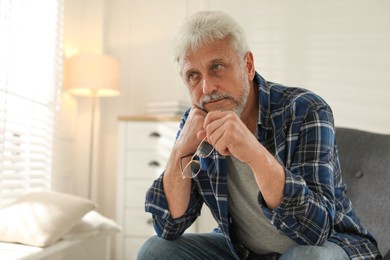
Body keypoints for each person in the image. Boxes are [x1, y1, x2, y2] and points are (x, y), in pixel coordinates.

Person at [137, 11, 381, 260]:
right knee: (155, 250)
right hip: (244, 251)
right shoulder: (196, 122)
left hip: (330, 244)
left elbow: (314, 232)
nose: (207, 88)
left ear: (248, 66)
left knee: (306, 257)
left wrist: (253, 153)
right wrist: (181, 148)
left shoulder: (306, 109)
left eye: (217, 67)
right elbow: (168, 227)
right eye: (193, 76)